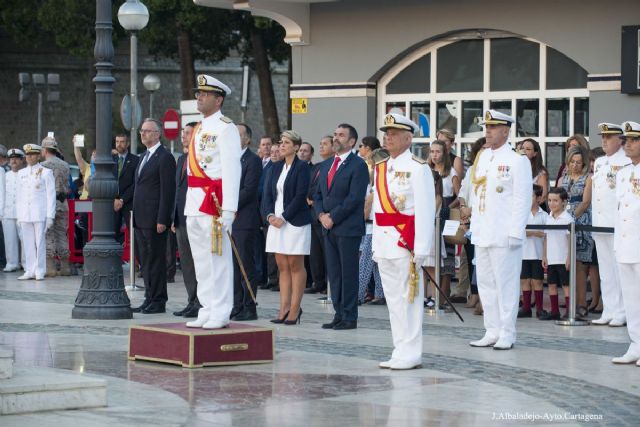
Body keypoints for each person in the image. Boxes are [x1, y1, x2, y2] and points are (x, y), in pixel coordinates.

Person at [373, 113, 435, 370]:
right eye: (386, 133)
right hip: (384, 242)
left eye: (394, 133)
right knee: (394, 302)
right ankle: (399, 349)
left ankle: (411, 352)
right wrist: (376, 245)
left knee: (408, 300)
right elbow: (378, 208)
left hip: (405, 242)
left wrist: (421, 249)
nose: (388, 137)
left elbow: (425, 210)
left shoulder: (418, 168)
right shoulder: (380, 167)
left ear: (408, 139)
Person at [468, 110, 532, 350]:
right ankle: (491, 329)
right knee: (485, 283)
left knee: (506, 284)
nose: (488, 132)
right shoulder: (483, 157)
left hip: (504, 233)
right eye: (486, 128)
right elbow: (477, 193)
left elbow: (522, 199)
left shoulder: (517, 160)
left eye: (493, 128)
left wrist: (516, 231)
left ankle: (507, 332)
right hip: (483, 231)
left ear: (506, 131)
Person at [185, 75, 241, 329]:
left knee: (217, 257)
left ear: (218, 100)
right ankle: (206, 307)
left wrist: (229, 209)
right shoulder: (198, 127)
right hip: (194, 200)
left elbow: (231, 170)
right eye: (198, 93)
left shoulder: (225, 127)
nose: (199, 97)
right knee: (201, 259)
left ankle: (221, 310)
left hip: (214, 202)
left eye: (205, 94)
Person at [314, 124, 369, 330]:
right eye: (335, 134)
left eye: (341, 135)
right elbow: (318, 194)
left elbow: (354, 198)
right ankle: (338, 313)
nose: (336, 138)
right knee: (334, 273)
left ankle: (349, 316)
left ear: (352, 141)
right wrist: (321, 215)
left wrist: (333, 217)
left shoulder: (358, 165)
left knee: (348, 273)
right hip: (327, 227)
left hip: (347, 227)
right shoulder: (327, 164)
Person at [264, 131, 311, 325]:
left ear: (296, 147)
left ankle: (294, 309)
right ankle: (283, 308)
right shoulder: (275, 168)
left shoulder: (302, 168)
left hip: (294, 222)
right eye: (281, 142)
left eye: (286, 143)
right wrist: (269, 216)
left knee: (295, 265)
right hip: (276, 222)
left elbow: (301, 196)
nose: (282, 146)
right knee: (282, 265)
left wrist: (283, 217)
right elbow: (267, 194)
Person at [132, 118, 177, 314]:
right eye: (142, 131)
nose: (143, 134)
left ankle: (158, 300)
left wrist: (162, 219)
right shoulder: (143, 156)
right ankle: (149, 296)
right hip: (140, 217)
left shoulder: (164, 157)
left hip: (154, 219)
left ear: (158, 134)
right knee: (145, 261)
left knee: (156, 260)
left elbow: (167, 191)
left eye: (148, 131)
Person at [591, 123, 629, 327]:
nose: (604, 140)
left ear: (620, 140)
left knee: (619, 269)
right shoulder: (599, 162)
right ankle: (609, 309)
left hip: (617, 225)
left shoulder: (626, 161)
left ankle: (622, 311)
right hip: (600, 223)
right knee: (605, 271)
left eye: (609, 137)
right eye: (603, 136)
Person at [611, 121, 640, 365]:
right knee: (631, 299)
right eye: (626, 140)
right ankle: (635, 343)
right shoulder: (623, 173)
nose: (627, 144)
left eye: (633, 140)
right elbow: (620, 212)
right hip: (626, 245)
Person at [231, 123, 262, 321]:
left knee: (245, 264)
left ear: (247, 139)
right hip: (229, 219)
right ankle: (236, 304)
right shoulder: (230, 159)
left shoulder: (253, 160)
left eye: (238, 134)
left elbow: (249, 190)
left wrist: (229, 204)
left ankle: (249, 305)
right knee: (233, 266)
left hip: (244, 218)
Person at [558, 145, 593, 318]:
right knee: (565, 265)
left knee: (579, 266)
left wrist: (570, 217)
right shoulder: (562, 179)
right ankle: (569, 304)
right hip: (563, 223)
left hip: (580, 222)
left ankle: (581, 304)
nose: (575, 165)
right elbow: (556, 198)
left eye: (579, 162)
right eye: (572, 161)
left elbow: (586, 202)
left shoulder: (588, 178)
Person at [172, 122, 200, 319]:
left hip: (197, 218)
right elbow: (177, 190)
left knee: (200, 263)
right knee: (187, 263)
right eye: (183, 133)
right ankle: (192, 300)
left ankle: (201, 301)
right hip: (181, 219)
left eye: (188, 133)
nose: (184, 136)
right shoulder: (182, 158)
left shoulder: (201, 159)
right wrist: (173, 217)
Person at [16, 144, 55, 281]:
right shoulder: (21, 174)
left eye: (32, 154)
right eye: (27, 154)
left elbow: (51, 195)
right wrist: (18, 216)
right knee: (27, 242)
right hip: (25, 213)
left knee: (40, 242)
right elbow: (19, 196)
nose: (29, 157)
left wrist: (50, 215)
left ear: (38, 156)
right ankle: (29, 270)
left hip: (40, 212)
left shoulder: (46, 172)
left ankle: (39, 270)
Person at [428, 139, 460, 303]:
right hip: (430, 211)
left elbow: (459, 196)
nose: (434, 155)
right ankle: (430, 295)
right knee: (429, 257)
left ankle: (443, 296)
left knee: (446, 255)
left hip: (446, 212)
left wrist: (448, 207)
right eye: (432, 151)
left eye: (438, 151)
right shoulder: (426, 170)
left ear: (444, 153)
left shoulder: (451, 172)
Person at [358, 148, 387, 305]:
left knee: (365, 263)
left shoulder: (382, 180)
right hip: (371, 226)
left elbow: (369, 203)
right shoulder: (373, 180)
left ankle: (357, 294)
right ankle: (380, 293)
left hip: (375, 226)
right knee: (375, 263)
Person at [305, 135, 333, 295]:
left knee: (326, 252)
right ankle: (318, 282)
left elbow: (323, 189)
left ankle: (328, 284)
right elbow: (309, 186)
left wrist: (314, 200)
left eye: (325, 144)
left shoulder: (331, 166)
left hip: (324, 214)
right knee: (315, 253)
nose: (321, 146)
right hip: (312, 215)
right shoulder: (316, 167)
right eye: (320, 144)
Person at [540, 188, 572, 320]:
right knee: (551, 284)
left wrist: (569, 257)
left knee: (566, 285)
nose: (551, 204)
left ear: (564, 202)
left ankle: (569, 311)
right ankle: (554, 311)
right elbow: (546, 237)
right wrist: (544, 255)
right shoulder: (548, 218)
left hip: (563, 257)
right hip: (551, 257)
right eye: (549, 200)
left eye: (555, 201)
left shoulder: (567, 219)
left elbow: (570, 240)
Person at [40, 137, 71, 277]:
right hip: (63, 203)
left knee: (49, 235)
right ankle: (65, 267)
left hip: (50, 204)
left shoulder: (43, 166)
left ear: (45, 150)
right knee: (62, 234)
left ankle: (51, 268)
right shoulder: (65, 165)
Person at [518, 184, 546, 318]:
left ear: (539, 198)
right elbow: (520, 231)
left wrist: (529, 233)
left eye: (532, 196)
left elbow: (546, 235)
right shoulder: (521, 214)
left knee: (537, 281)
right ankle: (526, 308)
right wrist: (534, 232)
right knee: (525, 281)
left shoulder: (544, 215)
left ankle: (539, 308)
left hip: (538, 253)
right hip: (522, 254)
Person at [259, 143, 282, 291]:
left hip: (280, 217)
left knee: (280, 251)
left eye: (276, 151)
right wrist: (266, 216)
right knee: (270, 250)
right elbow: (264, 195)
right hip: (269, 217)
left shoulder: (283, 169)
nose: (273, 154)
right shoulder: (268, 170)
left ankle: (280, 279)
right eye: (271, 152)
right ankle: (272, 279)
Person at [112, 134, 139, 246]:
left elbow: (136, 183)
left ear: (127, 143)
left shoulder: (136, 160)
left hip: (129, 203)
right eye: (117, 141)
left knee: (135, 235)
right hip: (113, 203)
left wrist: (122, 200)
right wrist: (114, 199)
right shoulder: (110, 160)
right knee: (113, 235)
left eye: (122, 141)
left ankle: (136, 262)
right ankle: (115, 261)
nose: (119, 144)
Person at [3, 149, 26, 272]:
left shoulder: (26, 174)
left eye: (16, 158)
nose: (14, 161)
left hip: (23, 212)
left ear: (22, 160)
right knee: (9, 239)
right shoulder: (4, 176)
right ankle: (12, 263)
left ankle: (26, 263)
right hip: (8, 211)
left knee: (25, 239)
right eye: (11, 159)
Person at [521, 138, 549, 204]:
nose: (523, 151)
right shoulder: (515, 168)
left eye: (528, 149)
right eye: (522, 148)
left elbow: (543, 196)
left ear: (535, 153)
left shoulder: (540, 172)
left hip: (535, 209)